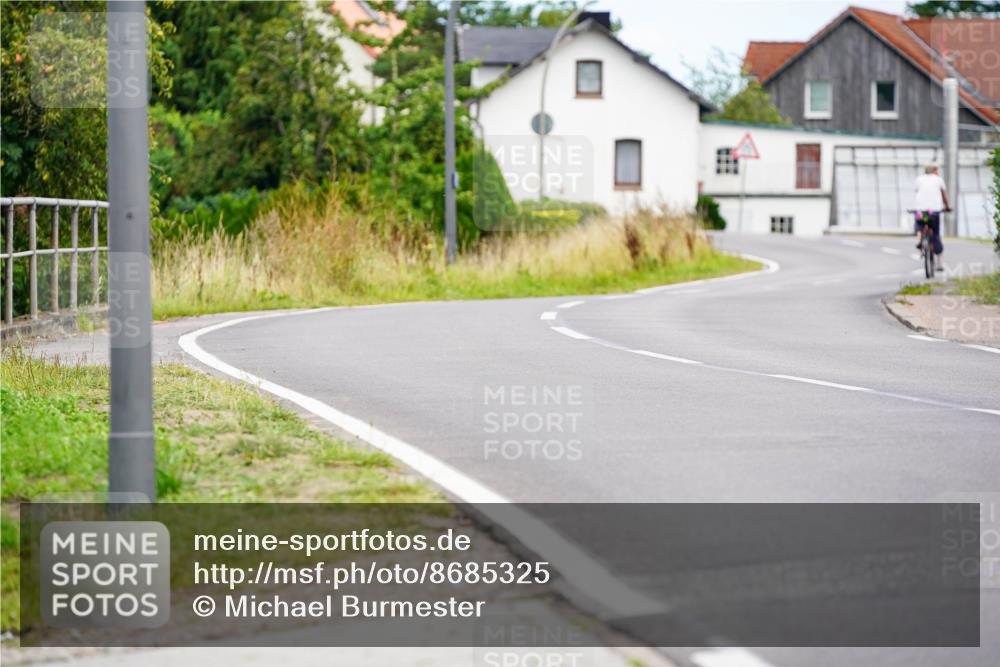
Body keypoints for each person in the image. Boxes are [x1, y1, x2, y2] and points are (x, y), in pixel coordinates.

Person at [913, 164, 949, 271]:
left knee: (919, 224)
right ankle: (939, 261)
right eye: (937, 170)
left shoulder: (919, 179)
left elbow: (916, 192)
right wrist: (947, 207)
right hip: (934, 211)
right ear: (934, 170)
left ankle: (920, 239)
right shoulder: (938, 180)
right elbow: (944, 196)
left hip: (920, 210)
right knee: (936, 233)